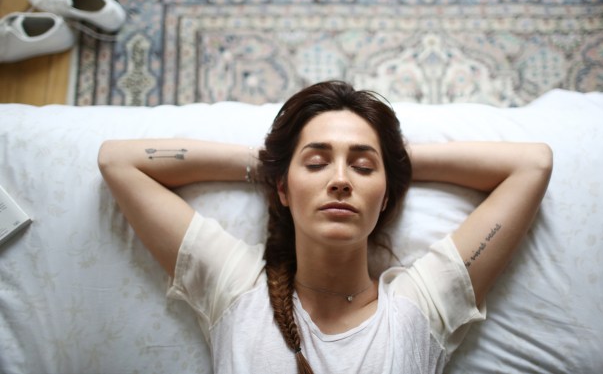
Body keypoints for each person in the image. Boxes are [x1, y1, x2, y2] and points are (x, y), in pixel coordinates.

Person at [97, 80, 552, 374]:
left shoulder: (420, 308)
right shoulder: (235, 287)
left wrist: (396, 164)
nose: (340, 180)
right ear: (283, 188)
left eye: (362, 167)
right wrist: (268, 164)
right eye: (316, 163)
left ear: (386, 197)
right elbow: (119, 161)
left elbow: (532, 165)